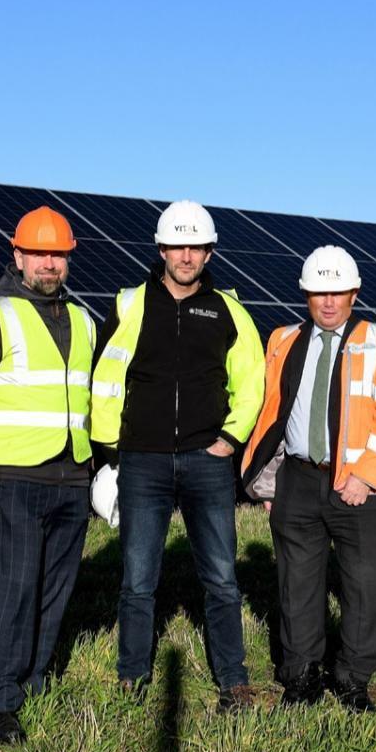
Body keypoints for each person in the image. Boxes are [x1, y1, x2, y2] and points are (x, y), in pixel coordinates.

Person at [90, 200, 266, 710]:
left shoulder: (229, 311)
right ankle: (132, 679)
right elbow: (105, 376)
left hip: (206, 460)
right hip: (141, 461)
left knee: (222, 578)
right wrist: (109, 451)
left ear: (208, 252)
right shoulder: (129, 304)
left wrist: (229, 440)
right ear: (161, 248)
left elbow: (251, 382)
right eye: (177, 245)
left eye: (196, 246)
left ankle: (233, 679)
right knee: (138, 580)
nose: (186, 255)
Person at [241, 246, 376, 712]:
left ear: (354, 293)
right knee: (297, 583)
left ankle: (354, 677)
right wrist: (269, 482)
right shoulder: (283, 339)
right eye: (318, 293)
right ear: (305, 295)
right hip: (297, 479)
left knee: (365, 584)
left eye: (337, 293)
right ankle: (301, 675)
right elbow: (272, 413)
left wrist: (367, 478)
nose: (328, 302)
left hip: (358, 485)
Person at [0, 207, 96, 744]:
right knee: (16, 587)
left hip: (74, 475)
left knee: (55, 588)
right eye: (39, 253)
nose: (49, 263)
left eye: (58, 255)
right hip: (15, 473)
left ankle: (34, 679)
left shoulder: (87, 320)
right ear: (17, 255)